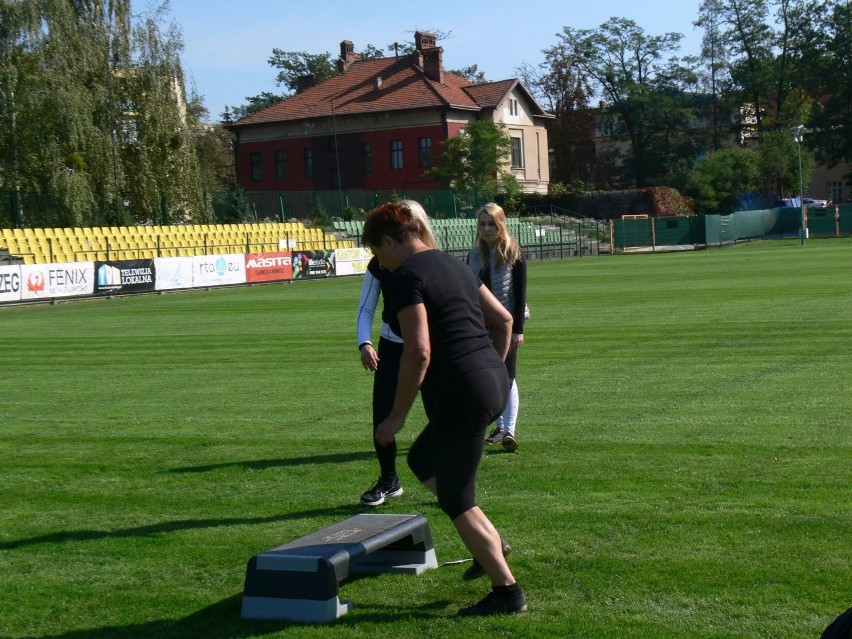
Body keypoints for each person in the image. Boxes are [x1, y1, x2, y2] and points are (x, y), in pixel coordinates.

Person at [362, 201, 527, 616]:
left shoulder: (404, 277)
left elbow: (418, 351)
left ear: (388, 242)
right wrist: (490, 365)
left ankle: (507, 592)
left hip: (464, 391)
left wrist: (395, 418)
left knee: (457, 498)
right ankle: (492, 544)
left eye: (378, 253)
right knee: (422, 458)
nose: (379, 263)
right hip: (494, 380)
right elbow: (504, 319)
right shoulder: (455, 265)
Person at [356, 200, 438, 507]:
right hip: (391, 347)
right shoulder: (380, 264)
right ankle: (389, 479)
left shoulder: (434, 261)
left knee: (439, 416)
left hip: (431, 347)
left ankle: (446, 480)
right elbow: (366, 308)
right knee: (383, 417)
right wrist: (364, 343)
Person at [467, 202, 527, 453]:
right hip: (480, 326)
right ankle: (499, 427)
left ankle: (508, 429)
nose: (487, 228)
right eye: (482, 224)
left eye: (491, 223)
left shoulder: (513, 252)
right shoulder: (473, 254)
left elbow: (520, 293)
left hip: (507, 325)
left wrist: (518, 330)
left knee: (507, 376)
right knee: (488, 377)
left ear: (501, 224)